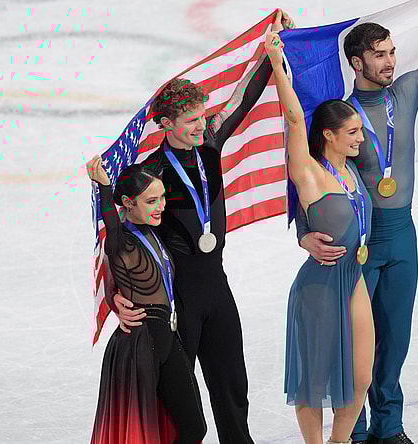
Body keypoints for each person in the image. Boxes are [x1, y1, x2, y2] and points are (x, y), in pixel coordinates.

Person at [112, 11, 296, 443]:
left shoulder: (210, 143)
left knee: (233, 385)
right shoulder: (149, 173)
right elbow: (121, 238)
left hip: (216, 283)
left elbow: (244, 98)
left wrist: (271, 47)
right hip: (178, 294)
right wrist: (118, 296)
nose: (201, 125)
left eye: (202, 117)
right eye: (191, 120)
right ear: (166, 124)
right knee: (180, 401)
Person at [294, 13, 418, 444]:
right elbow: (310, 177)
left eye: (391, 52)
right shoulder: (340, 117)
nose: (390, 61)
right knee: (353, 341)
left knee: (396, 336)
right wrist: (303, 232)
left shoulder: (405, 91)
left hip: (402, 234)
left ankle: (389, 425)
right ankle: (356, 428)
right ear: (356, 62)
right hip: (359, 243)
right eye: (379, 55)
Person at [265, 32, 375, 444]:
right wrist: (278, 63)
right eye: (351, 132)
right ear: (328, 134)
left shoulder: (351, 171)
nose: (359, 139)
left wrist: (306, 233)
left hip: (354, 277)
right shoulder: (309, 174)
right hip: (320, 286)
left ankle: (338, 441)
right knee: (313, 382)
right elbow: (295, 119)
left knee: (361, 376)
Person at [87, 158, 207, 444]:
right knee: (140, 435)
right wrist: (104, 186)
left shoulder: (154, 231)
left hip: (167, 337)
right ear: (128, 203)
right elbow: (111, 222)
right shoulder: (121, 240)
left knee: (194, 428)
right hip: (137, 344)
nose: (161, 206)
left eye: (162, 197)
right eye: (151, 200)